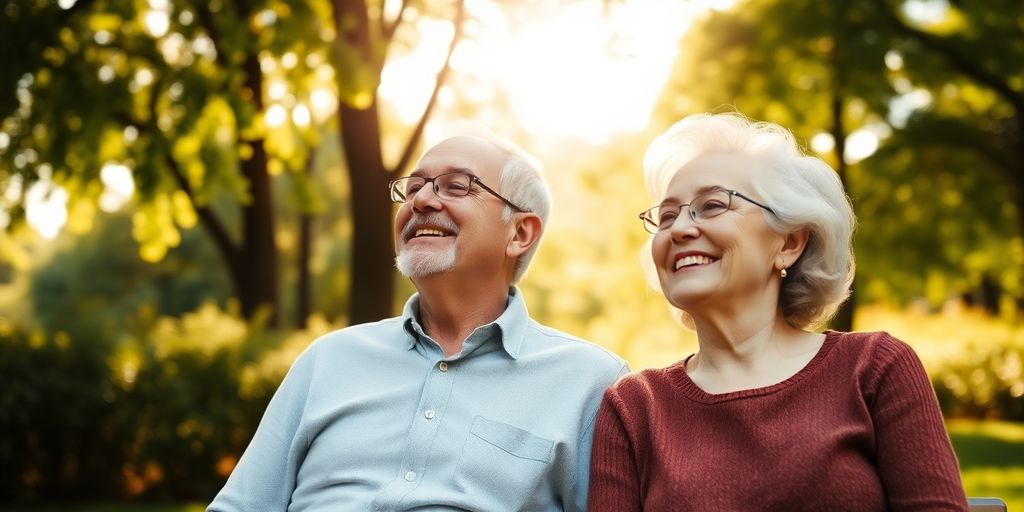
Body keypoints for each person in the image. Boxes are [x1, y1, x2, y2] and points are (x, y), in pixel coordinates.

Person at [207, 134, 627, 511]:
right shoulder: (327, 360)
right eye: (413, 188)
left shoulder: (591, 382)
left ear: (519, 233)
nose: (421, 201)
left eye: (457, 186)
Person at [587, 113, 969, 511]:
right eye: (667, 215)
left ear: (789, 243)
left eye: (712, 205)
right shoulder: (634, 407)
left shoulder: (875, 368)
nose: (679, 229)